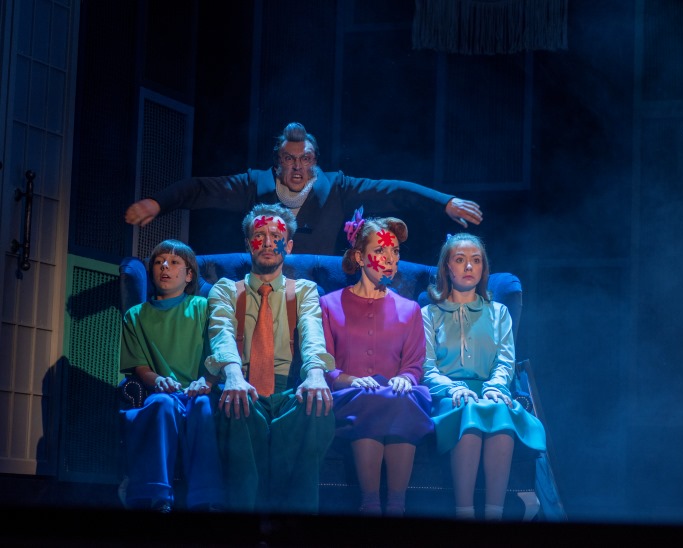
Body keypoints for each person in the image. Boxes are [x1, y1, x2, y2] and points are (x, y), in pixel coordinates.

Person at [124, 122, 484, 256]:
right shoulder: (255, 184)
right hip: (266, 287)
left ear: (315, 161)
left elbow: (394, 191)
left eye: (305, 159)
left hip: (316, 290)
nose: (297, 167)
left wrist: (445, 202)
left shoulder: (337, 186)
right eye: (289, 158)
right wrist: (159, 202)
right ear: (278, 162)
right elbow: (200, 189)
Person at [204, 202, 335, 514]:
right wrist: (233, 375)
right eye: (259, 235)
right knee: (236, 405)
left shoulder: (303, 290)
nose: (266, 242)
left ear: (288, 246)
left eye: (276, 236)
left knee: (317, 407)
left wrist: (316, 374)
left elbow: (312, 331)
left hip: (287, 389)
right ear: (247, 243)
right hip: (243, 384)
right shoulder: (226, 290)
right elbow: (221, 331)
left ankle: (297, 521)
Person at [421, 233, 546, 520]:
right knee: (467, 409)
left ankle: (494, 514)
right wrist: (452, 389)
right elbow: (426, 367)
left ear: (483, 268)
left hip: (489, 390)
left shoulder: (498, 312)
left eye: (476, 261)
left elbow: (506, 360)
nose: (469, 267)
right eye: (460, 260)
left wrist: (495, 387)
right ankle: (464, 512)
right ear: (447, 267)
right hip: (447, 396)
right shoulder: (429, 313)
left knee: (498, 409)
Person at [319, 211, 433, 516]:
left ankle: (397, 506)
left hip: (396, 396)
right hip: (350, 395)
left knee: (401, 399)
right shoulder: (329, 304)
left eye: (395, 251)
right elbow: (324, 364)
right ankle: (369, 504)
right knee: (370, 398)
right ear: (359, 257)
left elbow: (414, 364)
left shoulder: (410, 309)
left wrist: (406, 379)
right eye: (380, 250)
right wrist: (352, 380)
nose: (390, 259)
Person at [119, 239, 224, 513]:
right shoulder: (135, 316)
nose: (165, 266)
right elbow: (139, 366)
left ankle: (206, 498)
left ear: (189, 275)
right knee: (161, 404)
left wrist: (206, 381)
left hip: (199, 391)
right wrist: (158, 380)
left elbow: (218, 355)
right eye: (158, 262)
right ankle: (157, 495)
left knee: (203, 406)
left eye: (174, 262)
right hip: (161, 393)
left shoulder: (203, 307)